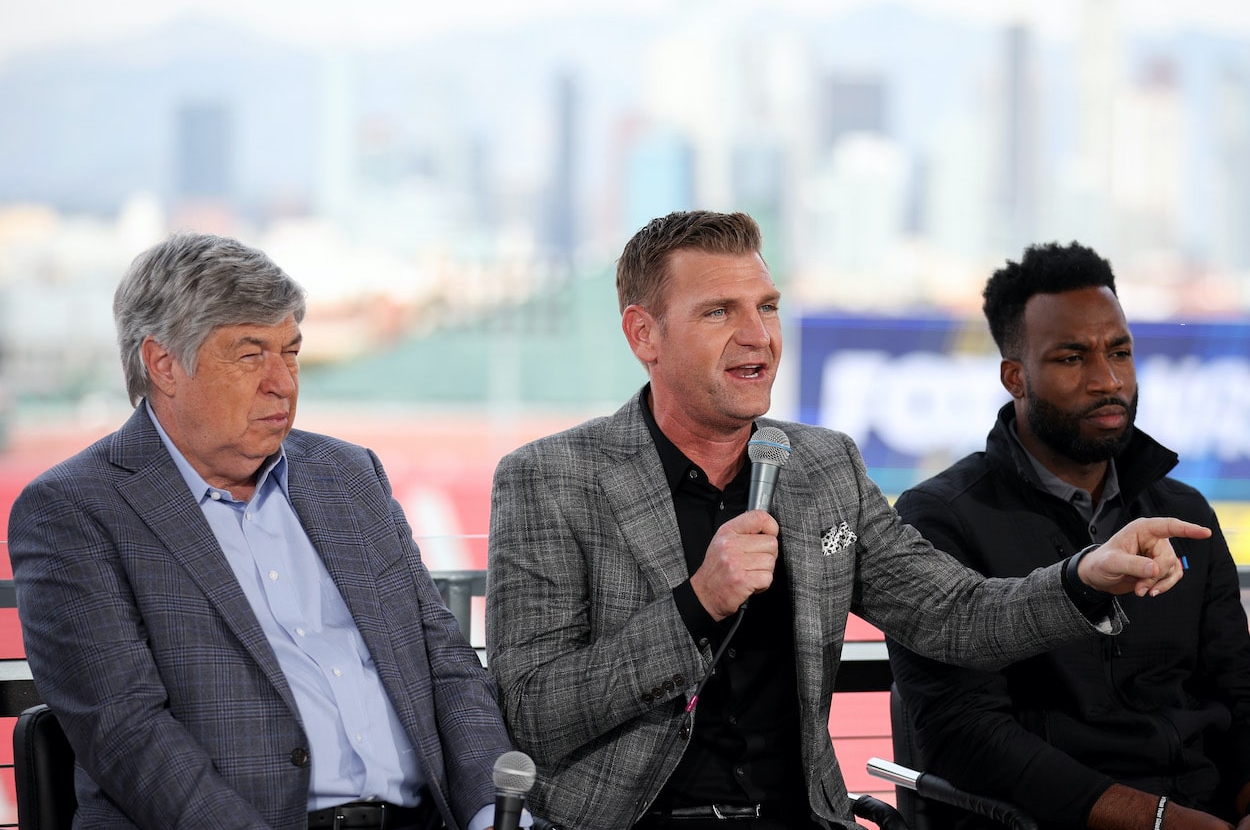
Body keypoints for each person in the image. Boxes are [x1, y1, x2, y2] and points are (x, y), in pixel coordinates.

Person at [484, 210, 1208, 830]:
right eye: (719, 312)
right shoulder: (550, 478)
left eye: (766, 307)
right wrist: (695, 604)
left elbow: (953, 613)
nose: (758, 336)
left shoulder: (822, 465)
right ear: (644, 334)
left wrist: (1082, 578)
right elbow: (534, 710)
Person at [8, 232, 524, 830]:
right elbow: (129, 736)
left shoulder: (348, 476)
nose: (282, 382)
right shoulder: (73, 511)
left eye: (292, 352)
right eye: (251, 355)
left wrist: (493, 814)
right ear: (164, 364)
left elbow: (445, 664)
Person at [885, 241, 1250, 830]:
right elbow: (964, 736)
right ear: (1015, 377)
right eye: (1072, 358)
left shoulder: (1186, 512)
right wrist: (1157, 820)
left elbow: (1239, 694)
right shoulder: (939, 519)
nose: (1107, 380)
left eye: (1120, 352)